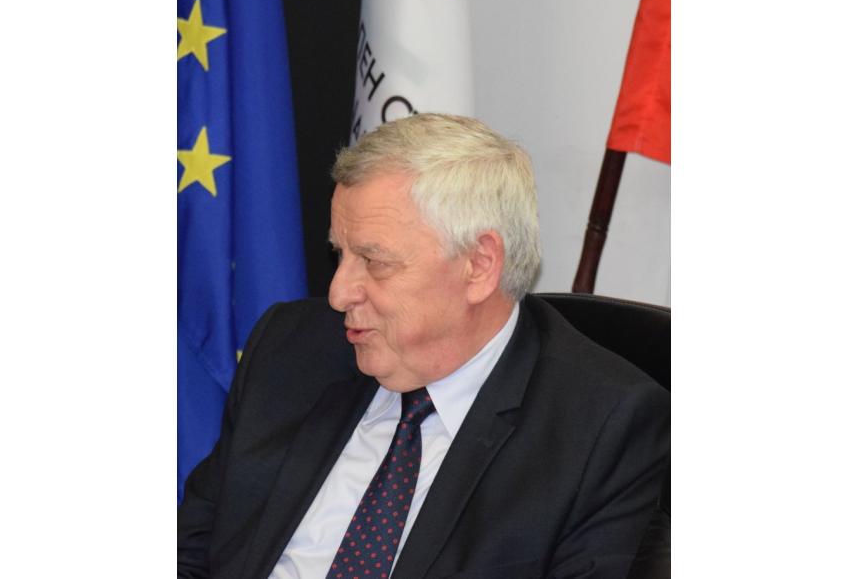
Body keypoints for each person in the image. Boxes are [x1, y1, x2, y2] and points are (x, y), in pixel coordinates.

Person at [178, 114, 669, 579]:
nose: (338, 293)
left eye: (374, 261)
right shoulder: (289, 349)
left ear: (479, 266)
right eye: (339, 254)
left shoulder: (602, 428)